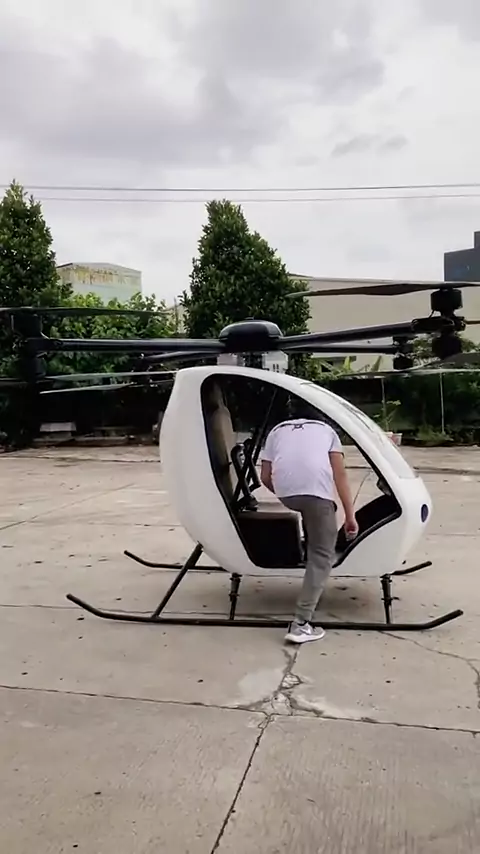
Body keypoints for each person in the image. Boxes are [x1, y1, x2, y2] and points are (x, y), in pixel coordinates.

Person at [260, 399, 359, 644]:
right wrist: (350, 516)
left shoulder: (276, 431)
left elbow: (265, 476)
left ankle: (309, 535)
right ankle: (301, 624)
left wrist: (286, 492)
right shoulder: (327, 431)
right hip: (316, 497)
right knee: (322, 556)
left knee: (311, 510)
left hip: (287, 494)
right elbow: (339, 475)